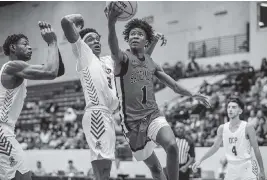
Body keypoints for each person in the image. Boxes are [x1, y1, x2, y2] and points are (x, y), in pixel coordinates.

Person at [107, 3, 210, 180]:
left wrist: (193, 94)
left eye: (139, 34)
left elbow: (175, 86)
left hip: (153, 115)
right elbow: (113, 45)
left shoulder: (151, 63)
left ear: (145, 40)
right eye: (132, 34)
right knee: (155, 169)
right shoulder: (122, 58)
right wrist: (111, 22)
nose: (135, 36)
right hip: (132, 123)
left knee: (171, 145)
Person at [61, 13, 166, 180]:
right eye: (90, 39)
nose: (96, 41)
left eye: (97, 39)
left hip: (112, 115)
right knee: (103, 171)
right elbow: (65, 23)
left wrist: (152, 42)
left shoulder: (109, 60)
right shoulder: (84, 56)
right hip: (97, 113)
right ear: (82, 44)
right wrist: (78, 17)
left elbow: (139, 62)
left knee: (105, 171)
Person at [0, 21, 64, 180]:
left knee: (20, 175)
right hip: (2, 130)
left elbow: (58, 70)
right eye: (25, 44)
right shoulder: (12, 67)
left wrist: (54, 44)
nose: (29, 47)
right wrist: (52, 42)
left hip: (6, 129)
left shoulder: (18, 69)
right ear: (13, 48)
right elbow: (50, 71)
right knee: (22, 176)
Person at [192, 96, 266, 180]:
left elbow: (256, 149)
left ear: (240, 111)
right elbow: (215, 147)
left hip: (246, 166)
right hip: (231, 167)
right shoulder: (222, 128)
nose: (230, 109)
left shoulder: (247, 127)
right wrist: (200, 160)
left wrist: (262, 170)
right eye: (229, 107)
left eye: (234, 107)